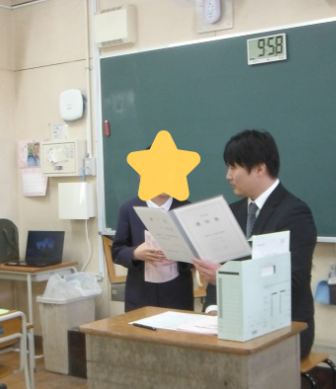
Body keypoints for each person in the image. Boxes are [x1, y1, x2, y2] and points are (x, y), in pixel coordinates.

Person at [192, 129, 317, 359]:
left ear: (259, 169)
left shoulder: (294, 214)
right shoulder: (232, 212)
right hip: (230, 323)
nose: (228, 176)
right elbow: (218, 269)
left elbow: (292, 282)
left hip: (283, 327)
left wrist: (226, 277)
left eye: (233, 167)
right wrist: (213, 310)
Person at [112, 192, 194, 312]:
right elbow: (117, 252)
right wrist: (135, 253)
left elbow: (199, 253)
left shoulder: (187, 209)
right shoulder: (129, 208)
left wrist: (180, 254)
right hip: (140, 295)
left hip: (177, 296)